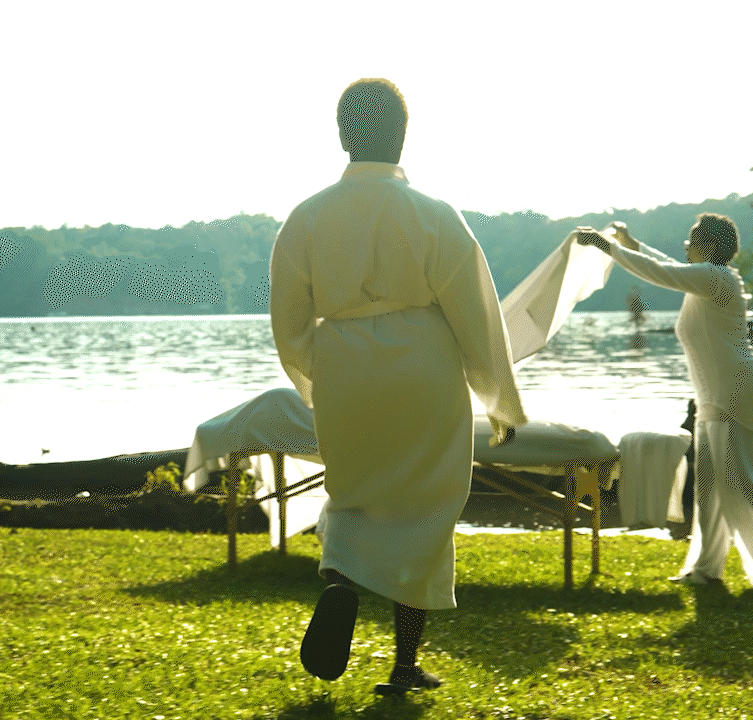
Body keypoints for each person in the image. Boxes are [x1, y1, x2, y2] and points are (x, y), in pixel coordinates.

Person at [269, 78, 527, 695]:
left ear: (340, 137)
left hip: (345, 367)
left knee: (354, 492)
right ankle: (404, 663)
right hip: (424, 368)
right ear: (404, 135)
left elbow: (289, 322)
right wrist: (499, 399)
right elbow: (477, 316)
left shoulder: (304, 219)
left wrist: (314, 377)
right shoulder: (434, 216)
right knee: (425, 509)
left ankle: (339, 583)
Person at [576, 215, 753, 592]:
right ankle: (706, 569)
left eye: (691, 240)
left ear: (709, 246)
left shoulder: (715, 278)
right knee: (708, 486)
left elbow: (661, 272)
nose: (685, 247)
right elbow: (669, 267)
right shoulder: (707, 278)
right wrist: (632, 243)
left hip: (735, 388)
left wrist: (608, 246)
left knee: (742, 482)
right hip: (715, 391)